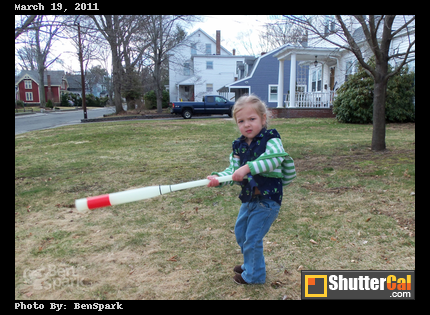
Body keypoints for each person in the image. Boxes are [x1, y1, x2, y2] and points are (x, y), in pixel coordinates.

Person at [207, 94, 296, 285]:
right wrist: (219, 179)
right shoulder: (238, 146)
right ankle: (250, 264)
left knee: (252, 238)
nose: (247, 124)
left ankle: (254, 276)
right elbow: (233, 171)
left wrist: (247, 168)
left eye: (252, 119)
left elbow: (274, 160)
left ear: (263, 119)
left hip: (267, 200)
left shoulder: (271, 139)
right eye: (241, 121)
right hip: (249, 199)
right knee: (241, 234)